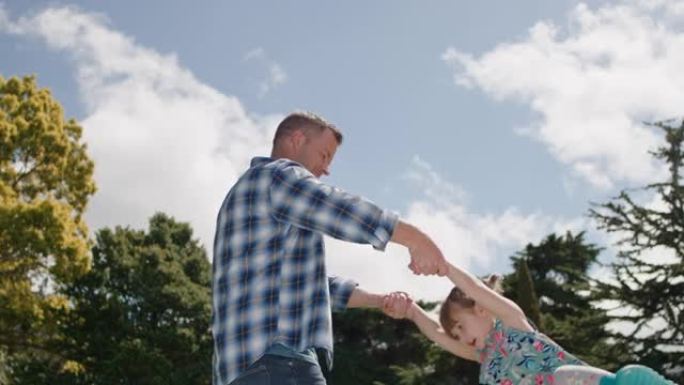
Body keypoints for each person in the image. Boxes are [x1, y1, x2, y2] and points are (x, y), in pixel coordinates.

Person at [211, 111, 448, 385]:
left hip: (244, 369)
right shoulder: (276, 177)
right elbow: (337, 208)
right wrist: (416, 239)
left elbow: (313, 286)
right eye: (324, 155)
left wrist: (377, 300)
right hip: (279, 364)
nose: (326, 169)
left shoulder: (253, 194)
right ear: (297, 139)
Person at [383, 260, 674, 385]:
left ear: (481, 309)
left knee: (564, 377)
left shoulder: (511, 322)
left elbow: (476, 289)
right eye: (455, 334)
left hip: (570, 383)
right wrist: (412, 312)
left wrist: (444, 267)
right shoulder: (482, 356)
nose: (458, 337)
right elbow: (437, 333)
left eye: (459, 326)